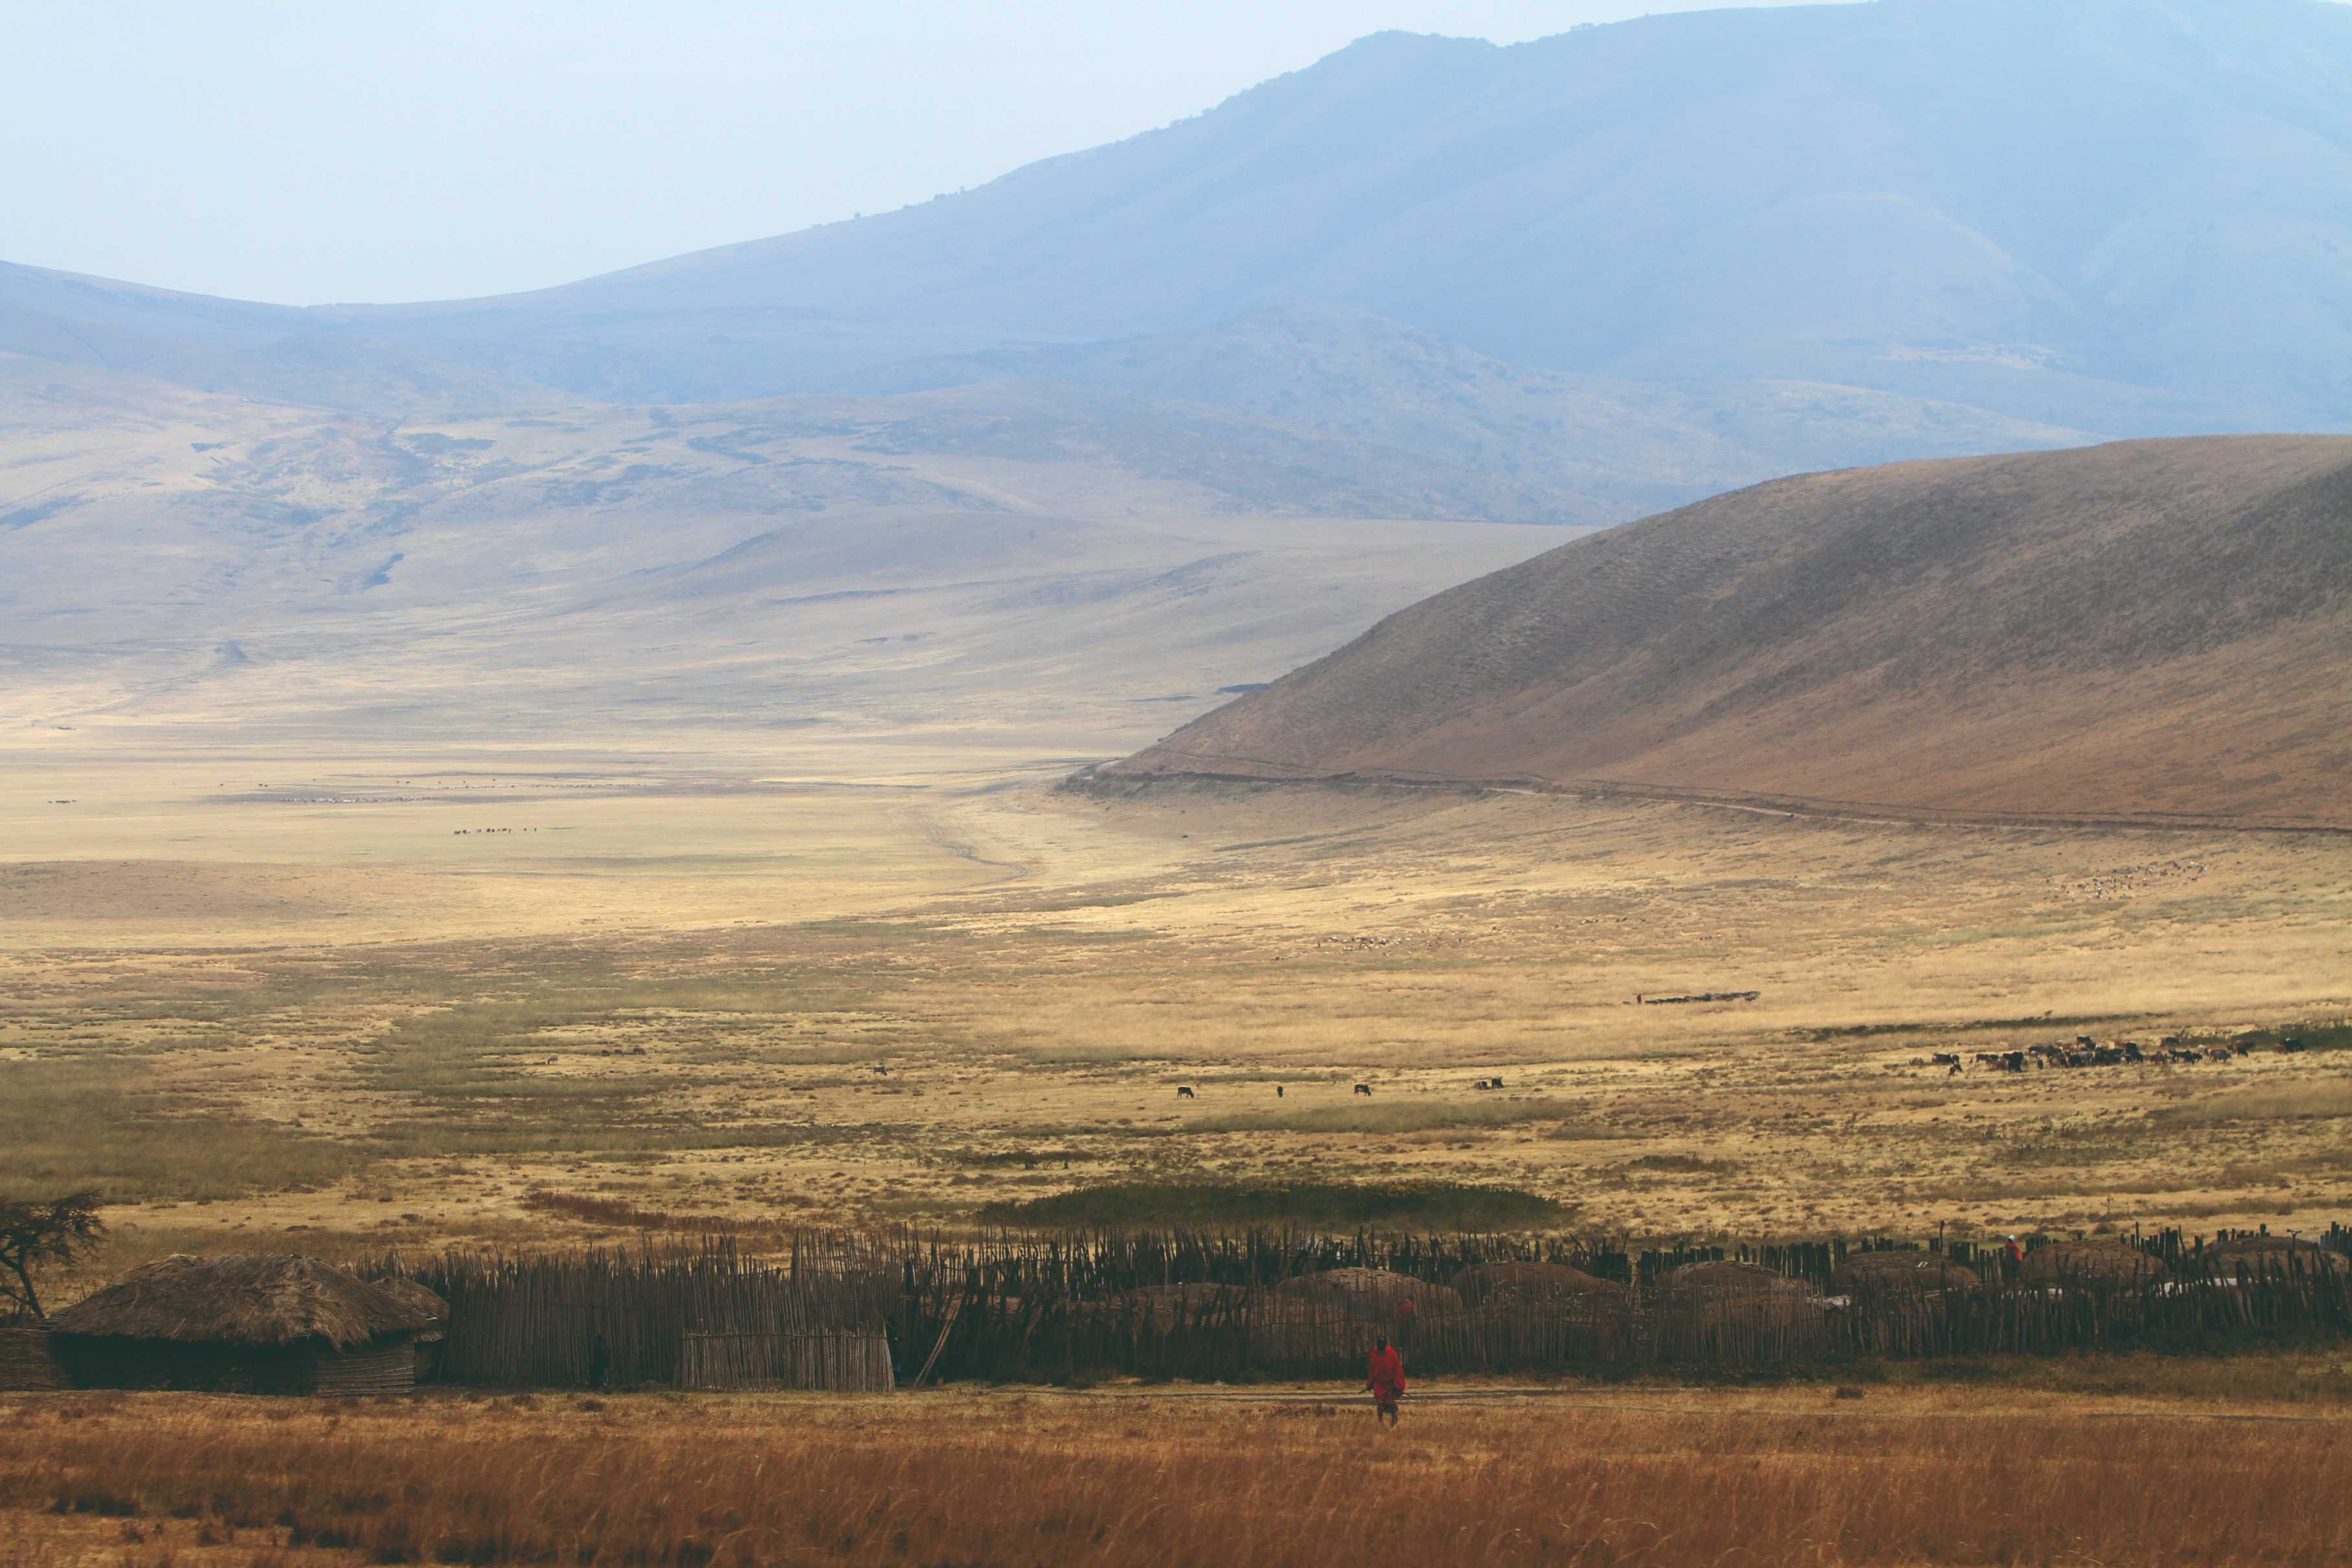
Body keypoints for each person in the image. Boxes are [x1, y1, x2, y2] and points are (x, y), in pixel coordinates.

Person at [1365, 1335, 1405, 1426]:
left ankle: (1394, 1422)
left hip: (1390, 1385)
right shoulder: (1373, 1355)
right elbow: (1371, 1371)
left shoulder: (1392, 1354)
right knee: (1381, 1404)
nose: (1382, 1349)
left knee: (1391, 1405)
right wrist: (1370, 1384)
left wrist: (1398, 1385)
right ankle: (1381, 1423)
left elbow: (1398, 1370)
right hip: (1379, 1385)